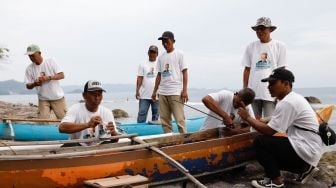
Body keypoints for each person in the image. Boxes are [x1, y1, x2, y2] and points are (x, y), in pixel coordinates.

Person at [237, 68, 322, 188]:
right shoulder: (294, 98)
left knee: (261, 142)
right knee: (272, 144)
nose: (268, 87)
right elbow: (284, 117)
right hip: (310, 149)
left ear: (286, 84)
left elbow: (269, 131)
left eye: (273, 83)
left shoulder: (287, 102)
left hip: (305, 151)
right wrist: (266, 119)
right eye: (268, 83)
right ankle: (304, 168)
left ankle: (276, 181)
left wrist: (247, 118)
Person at [242, 17, 287, 119]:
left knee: (269, 122)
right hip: (253, 93)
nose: (259, 31)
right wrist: (245, 89)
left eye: (262, 28)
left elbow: (282, 70)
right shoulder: (250, 46)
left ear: (270, 29)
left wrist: (281, 92)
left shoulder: (280, 46)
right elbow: (247, 69)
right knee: (254, 122)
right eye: (257, 29)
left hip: (271, 93)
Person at [59, 80, 119, 145]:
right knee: (70, 145)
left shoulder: (107, 112)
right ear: (84, 95)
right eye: (93, 94)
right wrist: (88, 125)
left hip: (99, 148)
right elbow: (62, 128)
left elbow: (116, 139)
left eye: (99, 94)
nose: (97, 98)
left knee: (107, 143)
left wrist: (113, 132)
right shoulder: (75, 109)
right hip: (78, 148)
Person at [151, 31, 188, 134]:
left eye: (166, 41)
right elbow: (159, 75)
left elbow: (185, 72)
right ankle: (169, 140)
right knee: (165, 121)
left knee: (180, 120)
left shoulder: (180, 54)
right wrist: (155, 92)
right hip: (162, 93)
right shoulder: (161, 57)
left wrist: (184, 90)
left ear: (173, 41)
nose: (164, 44)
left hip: (175, 92)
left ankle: (184, 140)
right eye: (163, 42)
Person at [24, 44, 67, 119]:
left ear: (39, 53)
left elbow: (62, 75)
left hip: (57, 98)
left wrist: (48, 77)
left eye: (33, 55)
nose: (31, 57)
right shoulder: (29, 68)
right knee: (42, 123)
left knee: (65, 121)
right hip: (43, 99)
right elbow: (28, 86)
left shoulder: (50, 61)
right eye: (29, 56)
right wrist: (34, 84)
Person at [136, 45, 160, 123]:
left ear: (157, 54)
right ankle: (139, 130)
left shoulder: (160, 64)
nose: (152, 54)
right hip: (144, 95)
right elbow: (140, 77)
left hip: (157, 95)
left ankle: (155, 133)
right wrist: (137, 90)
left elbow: (162, 78)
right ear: (148, 53)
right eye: (151, 52)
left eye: (154, 52)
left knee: (156, 114)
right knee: (142, 113)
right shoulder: (142, 64)